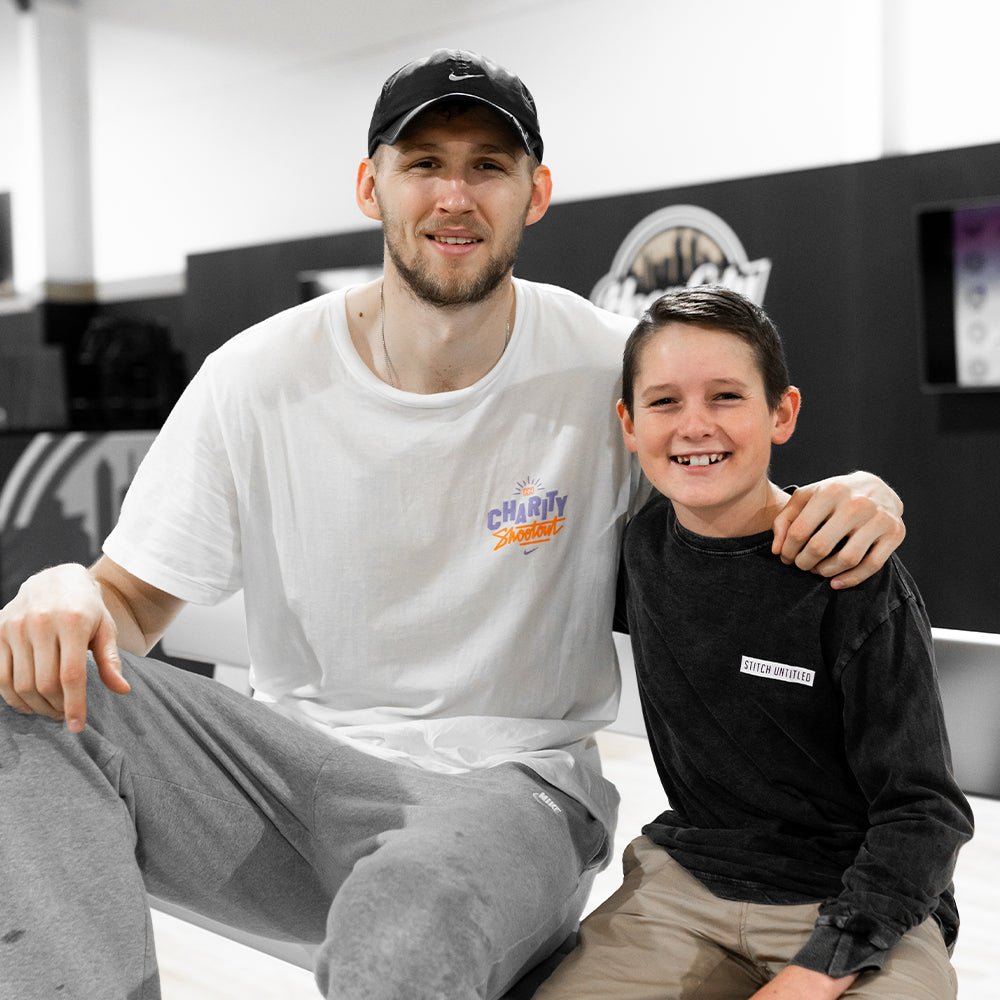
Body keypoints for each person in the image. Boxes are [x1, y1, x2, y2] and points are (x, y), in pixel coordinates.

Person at [0, 50, 906, 1000]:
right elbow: (131, 603)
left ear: (536, 192)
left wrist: (864, 494)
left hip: (510, 787)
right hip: (287, 784)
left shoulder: (605, 368)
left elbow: (738, 507)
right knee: (21, 694)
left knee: (404, 926)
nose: (454, 194)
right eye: (424, 163)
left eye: (488, 166)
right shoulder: (254, 376)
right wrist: (63, 588)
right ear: (370, 185)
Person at [533, 285, 974, 1000]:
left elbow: (926, 812)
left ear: (783, 413)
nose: (694, 425)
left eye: (727, 397)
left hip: (861, 898)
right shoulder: (635, 549)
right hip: (684, 884)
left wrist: (823, 965)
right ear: (629, 423)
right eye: (665, 401)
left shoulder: (850, 569)